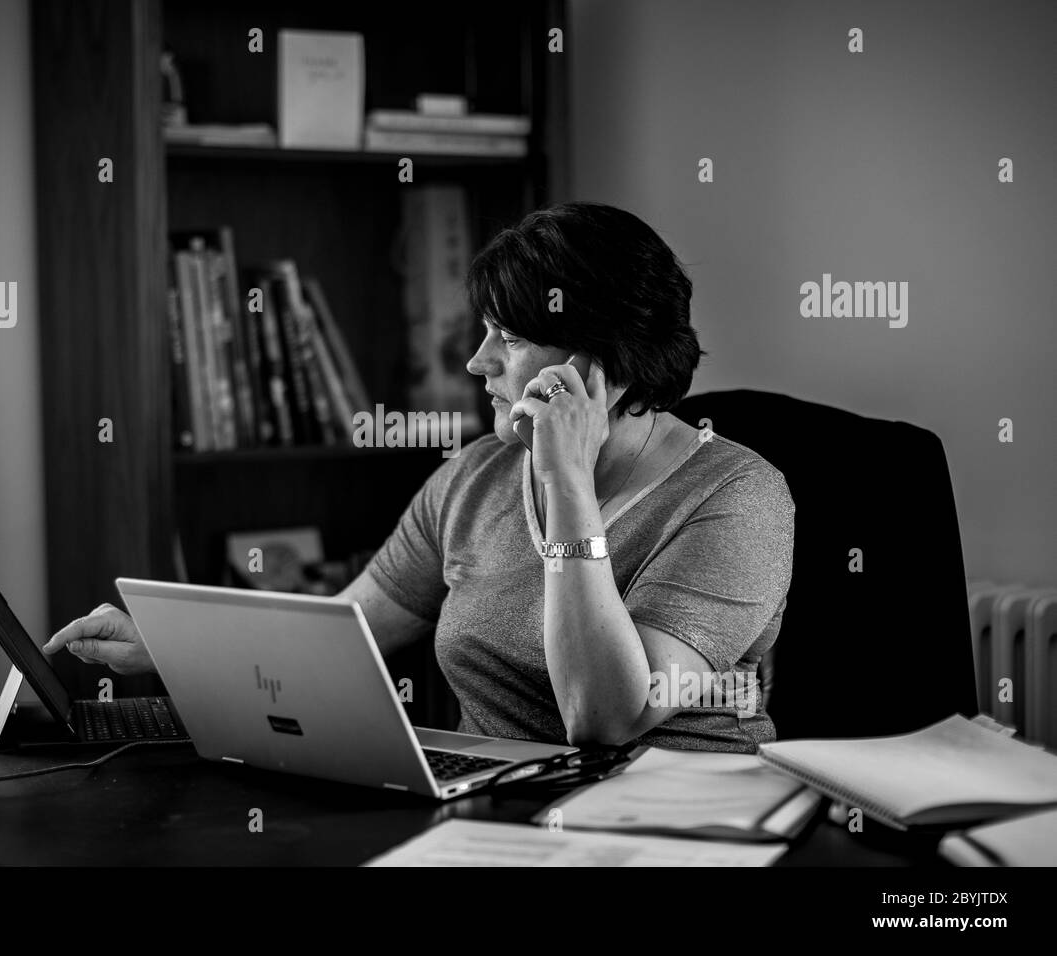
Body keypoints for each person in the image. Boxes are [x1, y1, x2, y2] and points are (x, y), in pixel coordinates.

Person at [44, 202, 795, 753]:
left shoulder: (737, 499)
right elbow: (341, 640)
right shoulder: (477, 476)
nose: (476, 363)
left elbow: (605, 716)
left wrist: (567, 487)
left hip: (676, 835)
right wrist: (170, 644)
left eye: (509, 338)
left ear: (599, 363)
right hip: (498, 824)